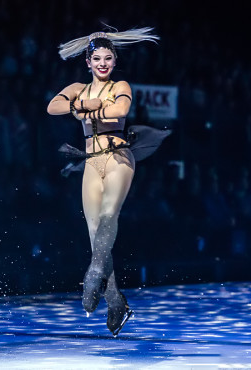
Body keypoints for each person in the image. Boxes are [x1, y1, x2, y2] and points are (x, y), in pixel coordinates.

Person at [47, 27, 168, 336]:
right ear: (87, 61)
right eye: (97, 59)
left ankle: (93, 276)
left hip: (118, 158)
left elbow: (121, 109)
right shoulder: (78, 87)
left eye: (108, 59)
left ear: (115, 61)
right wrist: (81, 105)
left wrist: (82, 108)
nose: (102, 64)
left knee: (107, 217)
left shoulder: (120, 85)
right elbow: (53, 107)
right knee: (94, 235)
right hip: (90, 163)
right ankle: (116, 301)